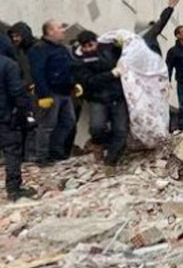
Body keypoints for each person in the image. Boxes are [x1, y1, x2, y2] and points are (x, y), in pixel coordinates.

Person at [72, 31, 128, 173]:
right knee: (96, 128)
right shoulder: (79, 60)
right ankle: (100, 144)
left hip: (117, 97)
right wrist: (111, 74)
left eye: (91, 45)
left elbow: (129, 53)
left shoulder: (109, 49)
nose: (89, 49)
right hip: (97, 98)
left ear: (96, 42)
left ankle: (110, 162)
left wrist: (122, 45)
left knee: (121, 130)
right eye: (85, 47)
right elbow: (89, 81)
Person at [27, 20, 77, 165]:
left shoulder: (62, 49)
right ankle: (42, 156)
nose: (63, 30)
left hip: (65, 92)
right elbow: (38, 73)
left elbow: (69, 68)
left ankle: (55, 151)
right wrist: (43, 95)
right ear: (49, 31)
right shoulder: (39, 49)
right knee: (46, 125)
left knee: (68, 122)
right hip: (50, 93)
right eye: (59, 28)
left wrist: (74, 83)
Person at [0, 34, 33, 200]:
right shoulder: (9, 65)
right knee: (12, 151)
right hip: (5, 117)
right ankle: (14, 190)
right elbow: (17, 92)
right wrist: (25, 112)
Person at [7, 22, 35, 90]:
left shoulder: (38, 48)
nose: (14, 39)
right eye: (12, 36)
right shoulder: (16, 51)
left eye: (17, 36)